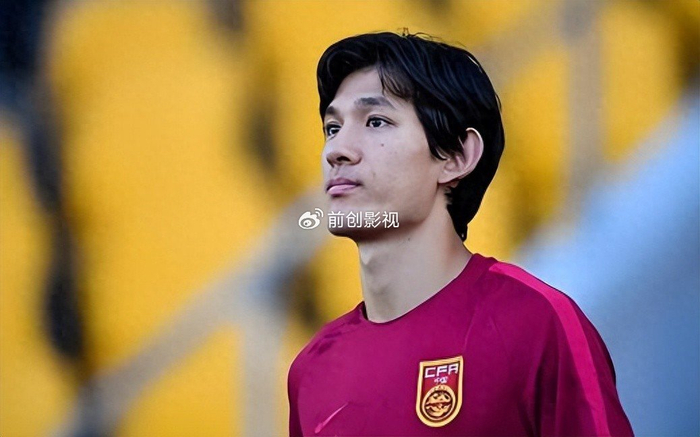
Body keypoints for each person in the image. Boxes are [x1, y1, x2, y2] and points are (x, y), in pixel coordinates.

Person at [288, 31, 634, 436]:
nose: (336, 150)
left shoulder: (536, 324)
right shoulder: (311, 369)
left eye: (376, 121)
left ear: (457, 157)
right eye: (332, 128)